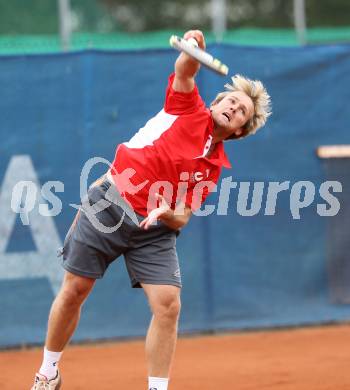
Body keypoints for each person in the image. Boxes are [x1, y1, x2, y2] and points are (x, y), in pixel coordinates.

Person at [31, 29, 271, 390]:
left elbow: (184, 215)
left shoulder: (214, 168)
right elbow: (186, 71)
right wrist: (194, 48)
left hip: (154, 229)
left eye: (241, 112)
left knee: (168, 304)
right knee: (75, 288)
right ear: (219, 101)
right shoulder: (188, 107)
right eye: (231, 101)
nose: (234, 108)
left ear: (240, 130)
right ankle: (48, 373)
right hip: (112, 203)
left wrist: (165, 214)